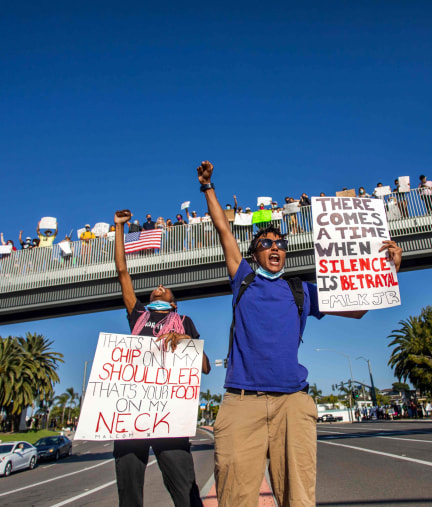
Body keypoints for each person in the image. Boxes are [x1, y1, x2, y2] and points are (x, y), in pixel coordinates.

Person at [195, 160, 402, 506]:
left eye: (281, 243)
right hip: (241, 402)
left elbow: (359, 307)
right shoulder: (243, 279)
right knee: (234, 496)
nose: (275, 247)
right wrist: (208, 187)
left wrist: (390, 270)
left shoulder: (302, 291)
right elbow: (223, 231)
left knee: (299, 498)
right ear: (254, 255)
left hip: (292, 403)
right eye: (266, 243)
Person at [112, 209, 211, 507]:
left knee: (185, 491)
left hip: (168, 417)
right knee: (128, 493)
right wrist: (120, 228)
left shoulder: (185, 322)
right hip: (132, 414)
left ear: (173, 301)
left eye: (165, 288)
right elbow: (122, 272)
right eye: (156, 286)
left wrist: (185, 340)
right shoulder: (139, 315)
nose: (159, 286)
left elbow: (204, 367)